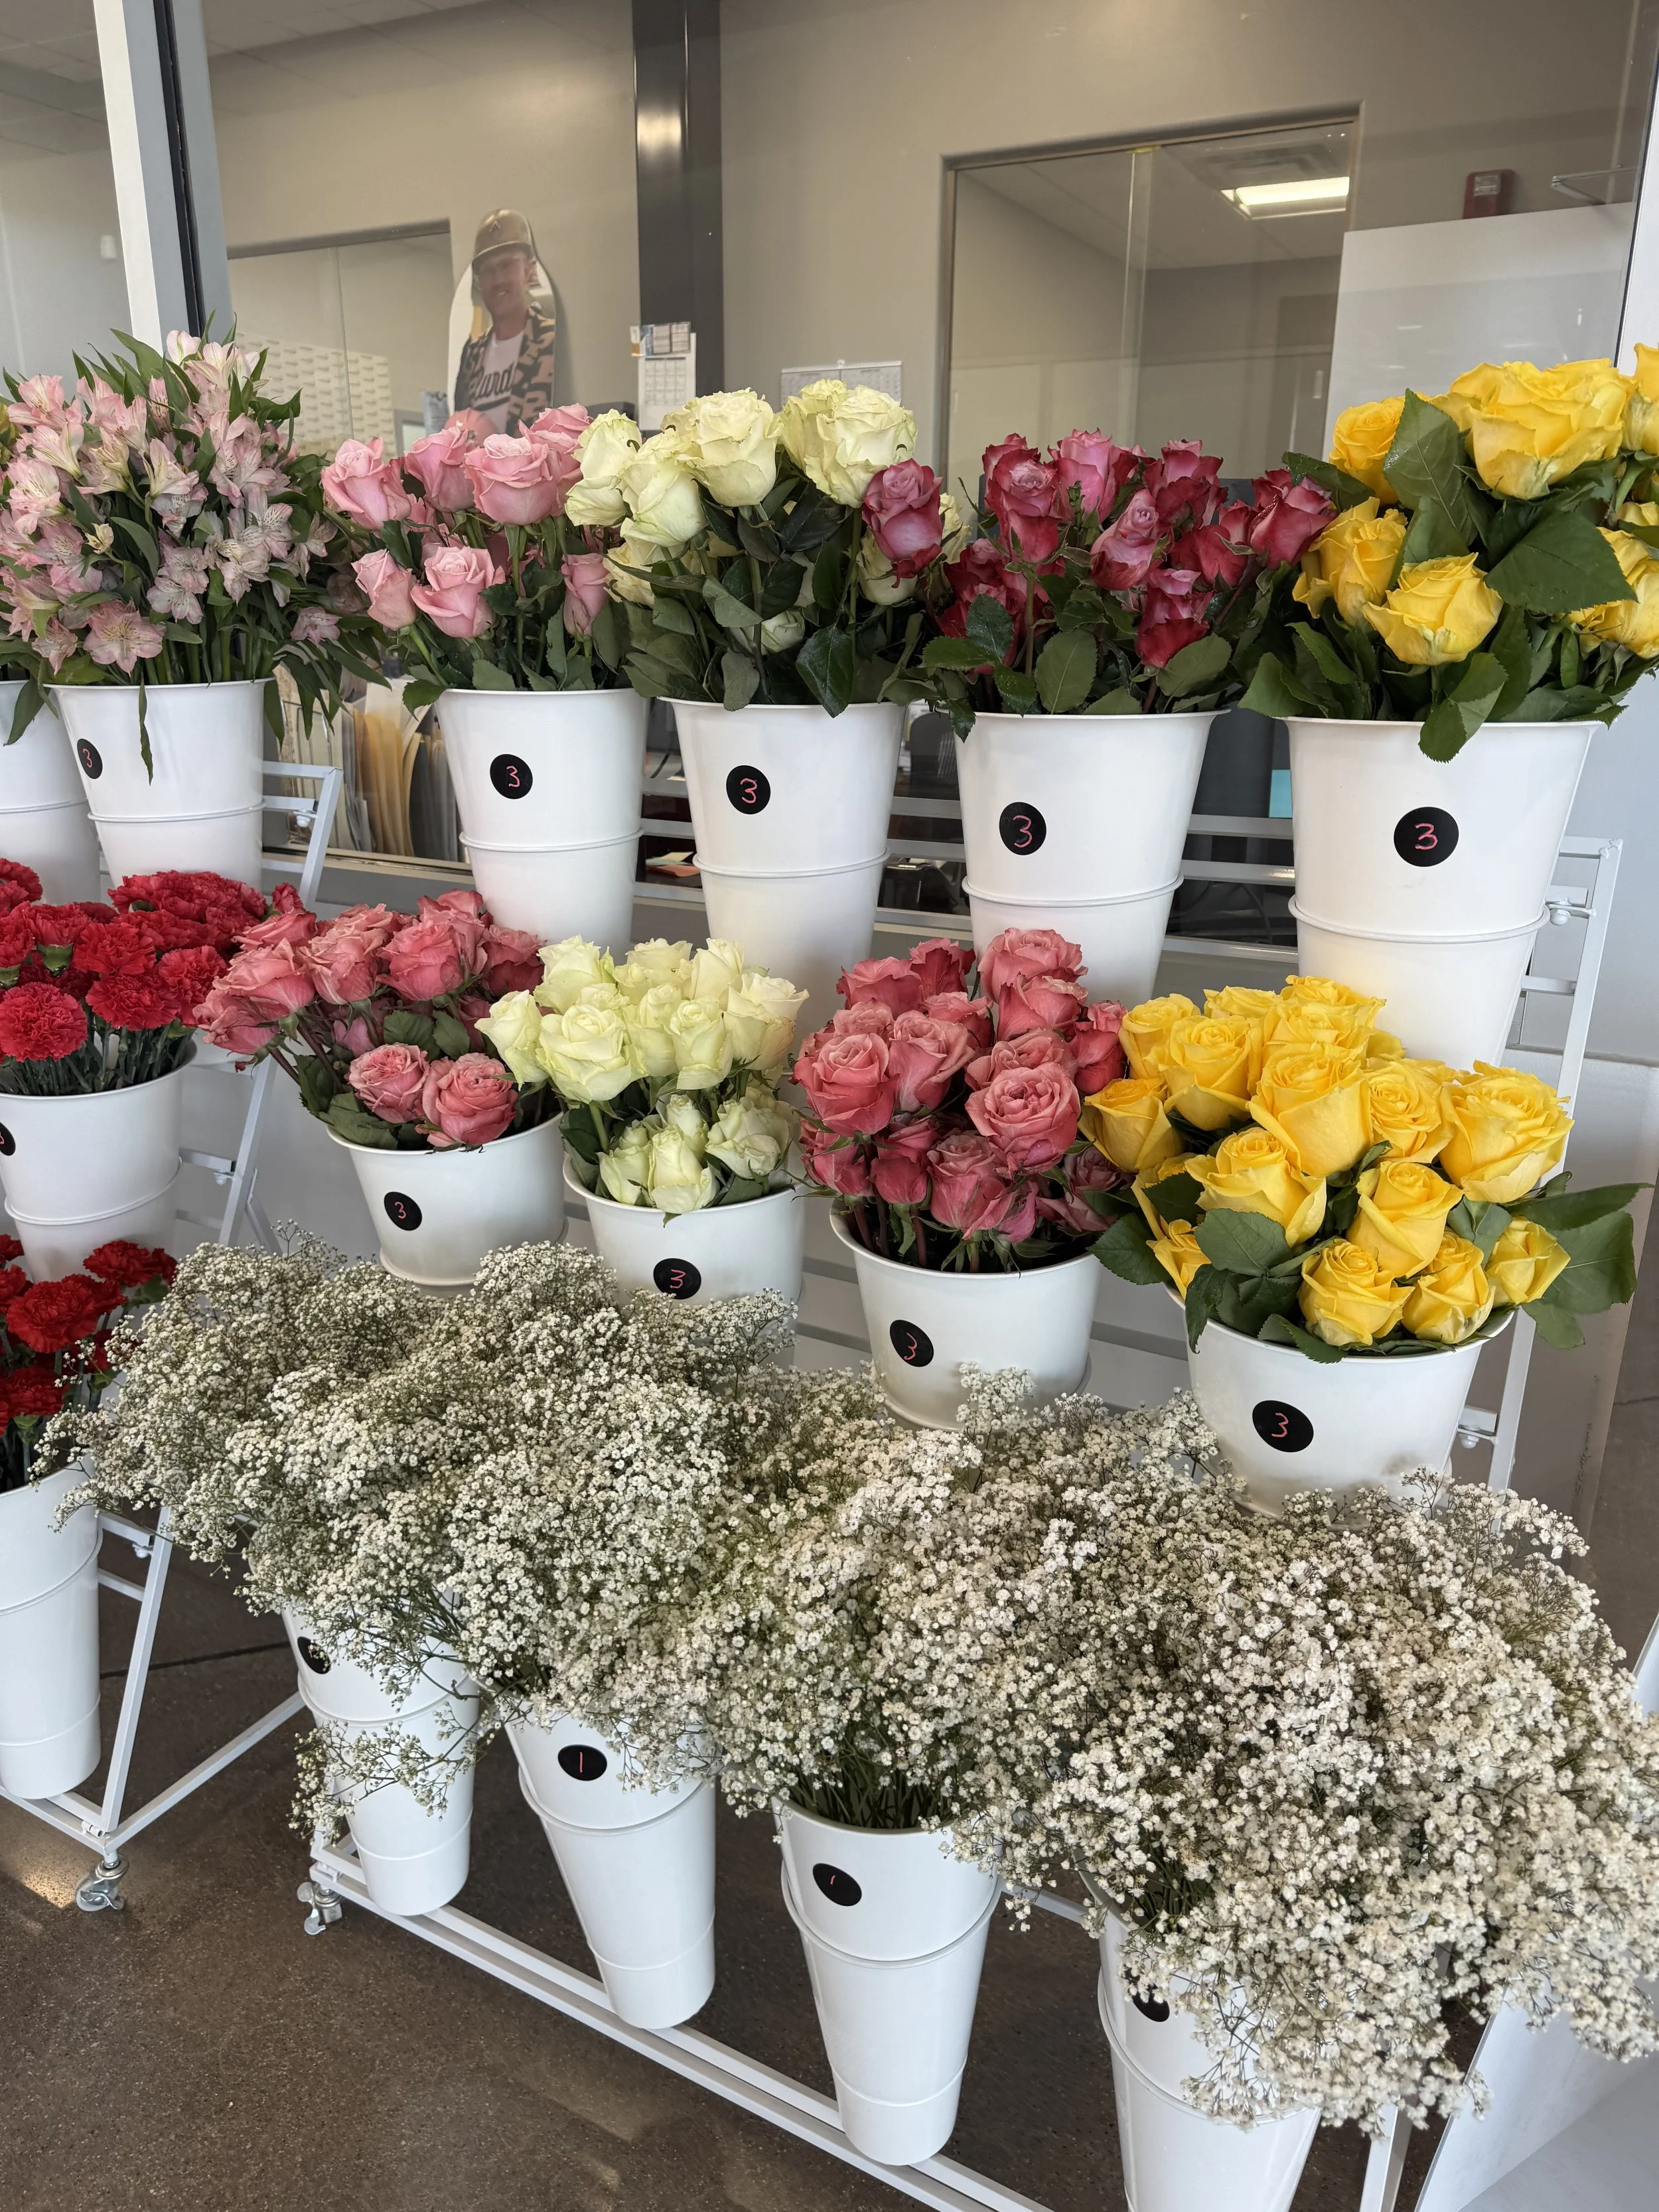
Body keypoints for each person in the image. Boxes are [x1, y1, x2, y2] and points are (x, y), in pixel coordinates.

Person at [450, 210, 557, 437]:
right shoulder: (472, 355)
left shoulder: (549, 340)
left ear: (528, 271)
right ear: (479, 281)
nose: (498, 280)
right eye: (488, 270)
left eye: (507, 265)